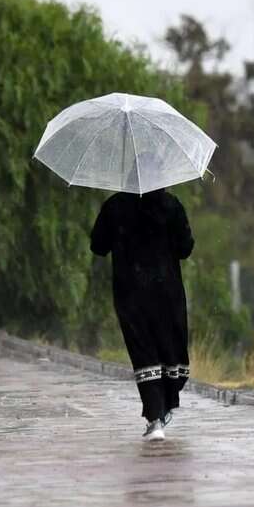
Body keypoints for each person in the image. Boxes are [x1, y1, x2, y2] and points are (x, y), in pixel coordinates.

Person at [90, 187, 194, 441]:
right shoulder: (171, 205)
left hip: (131, 293)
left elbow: (98, 246)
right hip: (166, 293)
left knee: (144, 352)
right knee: (169, 349)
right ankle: (165, 405)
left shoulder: (114, 206)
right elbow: (185, 248)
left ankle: (156, 417)